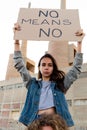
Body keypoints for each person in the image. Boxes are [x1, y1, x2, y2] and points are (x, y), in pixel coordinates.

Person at [13, 23, 85, 127]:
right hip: (36, 122)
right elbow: (20, 65)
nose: (46, 67)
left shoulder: (60, 85)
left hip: (55, 122)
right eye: (43, 65)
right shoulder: (32, 84)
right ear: (39, 68)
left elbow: (76, 69)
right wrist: (16, 41)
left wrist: (79, 43)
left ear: (53, 68)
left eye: (50, 65)